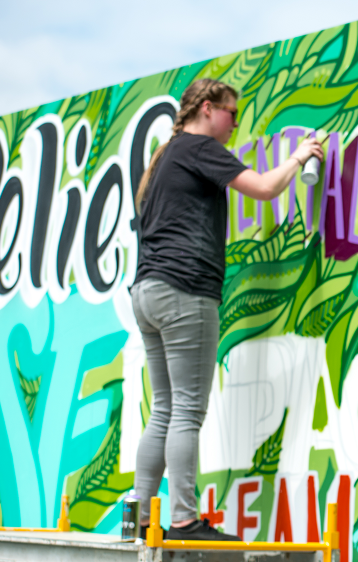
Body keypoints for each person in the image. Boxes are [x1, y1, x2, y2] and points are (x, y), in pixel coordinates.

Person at [131, 78, 323, 541]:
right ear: (208, 108)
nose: (235, 124)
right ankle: (182, 520)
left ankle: (136, 519)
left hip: (147, 290)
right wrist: (301, 156)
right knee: (186, 412)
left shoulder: (166, 157)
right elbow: (263, 188)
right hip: (185, 290)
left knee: (163, 410)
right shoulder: (199, 146)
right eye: (232, 114)